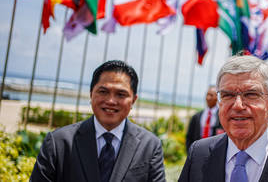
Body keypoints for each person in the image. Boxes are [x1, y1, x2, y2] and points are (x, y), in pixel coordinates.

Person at [179, 55, 268, 182]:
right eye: (228, 95)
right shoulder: (199, 153)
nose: (238, 105)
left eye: (250, 94)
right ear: (220, 103)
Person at [30, 60, 166, 182]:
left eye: (121, 94)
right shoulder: (58, 142)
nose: (111, 101)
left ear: (133, 100)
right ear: (91, 94)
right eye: (103, 91)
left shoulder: (150, 146)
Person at [185, 85, 224, 154]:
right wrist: (190, 152)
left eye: (211, 95)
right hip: (197, 153)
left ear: (217, 98)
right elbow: (189, 136)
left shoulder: (222, 117)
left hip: (214, 153)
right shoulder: (197, 116)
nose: (208, 98)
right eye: (207, 95)